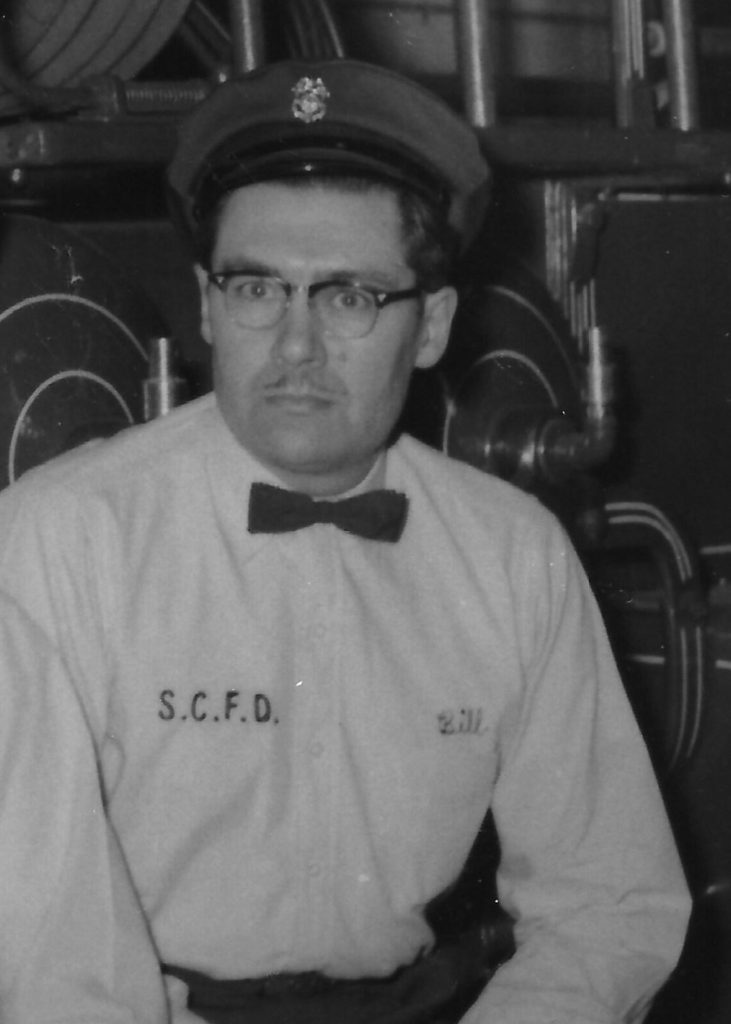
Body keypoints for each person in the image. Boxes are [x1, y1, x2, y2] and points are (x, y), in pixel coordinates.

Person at [0, 58, 690, 1024]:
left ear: (431, 325)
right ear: (205, 304)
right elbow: (44, 954)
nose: (296, 346)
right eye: (257, 288)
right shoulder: (61, 539)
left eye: (348, 297)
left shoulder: (512, 556)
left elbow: (609, 903)